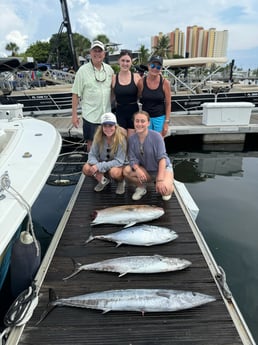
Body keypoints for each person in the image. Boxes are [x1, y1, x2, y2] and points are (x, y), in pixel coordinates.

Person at [72, 40, 114, 152]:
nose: (97, 54)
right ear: (90, 53)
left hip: (106, 114)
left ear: (104, 54)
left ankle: (105, 166)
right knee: (91, 143)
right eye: (94, 51)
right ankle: (92, 166)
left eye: (100, 51)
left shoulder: (109, 70)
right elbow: (75, 93)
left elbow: (113, 90)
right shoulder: (82, 71)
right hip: (90, 115)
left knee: (108, 142)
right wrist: (74, 115)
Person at [123, 110, 174, 201]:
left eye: (143, 121)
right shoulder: (131, 139)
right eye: (137, 121)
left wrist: (160, 179)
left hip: (162, 169)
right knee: (126, 171)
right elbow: (131, 158)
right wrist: (137, 169)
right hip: (146, 169)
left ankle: (170, 184)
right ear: (133, 122)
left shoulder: (157, 136)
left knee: (165, 192)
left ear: (148, 123)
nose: (139, 124)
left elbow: (162, 159)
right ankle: (141, 187)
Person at [82, 112, 127, 194]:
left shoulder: (121, 139)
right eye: (105, 126)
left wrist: (98, 166)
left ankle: (121, 182)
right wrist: (96, 167)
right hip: (102, 163)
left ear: (115, 126)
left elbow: (119, 161)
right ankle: (103, 180)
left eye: (110, 125)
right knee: (86, 168)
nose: (108, 128)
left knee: (114, 172)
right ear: (101, 127)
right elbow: (92, 155)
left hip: (117, 166)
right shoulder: (98, 136)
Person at [137, 55, 171, 137]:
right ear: (148, 65)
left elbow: (168, 103)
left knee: (159, 143)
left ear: (161, 69)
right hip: (145, 118)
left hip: (159, 117)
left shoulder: (165, 83)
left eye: (158, 67)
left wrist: (166, 122)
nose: (155, 69)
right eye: (153, 65)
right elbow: (137, 98)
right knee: (146, 143)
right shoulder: (141, 82)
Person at [112, 50, 141, 137]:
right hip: (120, 113)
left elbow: (140, 94)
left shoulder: (136, 77)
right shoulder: (113, 78)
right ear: (119, 61)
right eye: (123, 60)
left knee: (131, 141)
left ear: (131, 62)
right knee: (122, 142)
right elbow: (111, 96)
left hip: (133, 112)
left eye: (128, 61)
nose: (125, 63)